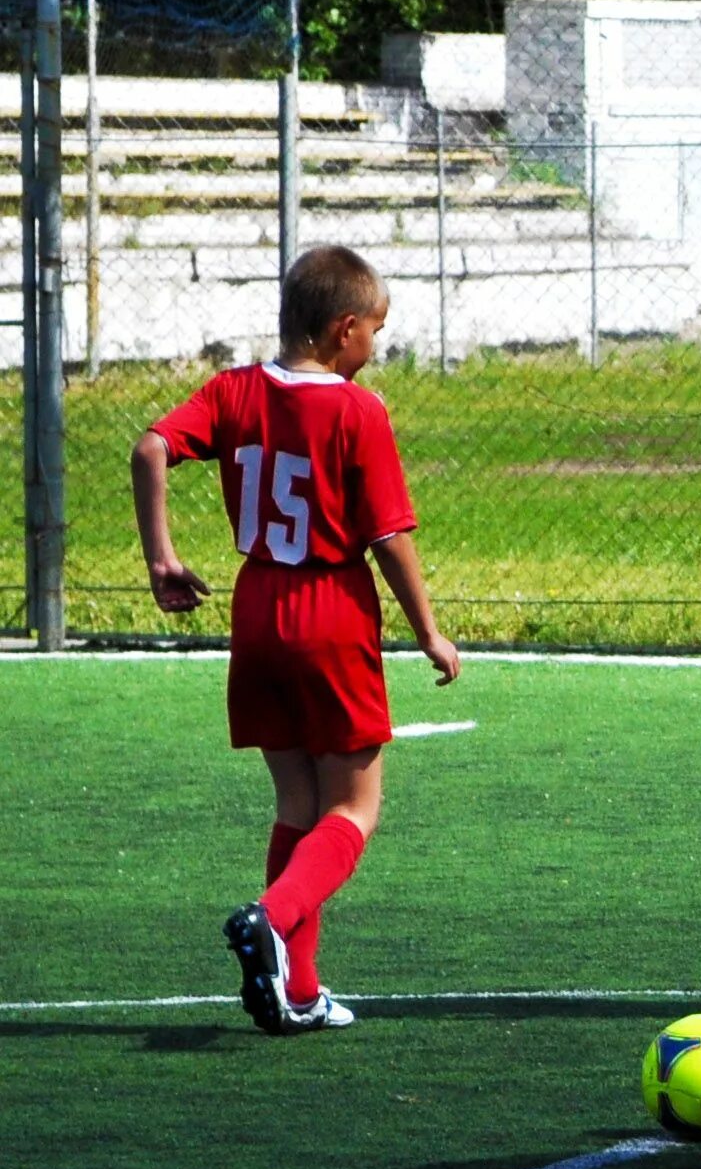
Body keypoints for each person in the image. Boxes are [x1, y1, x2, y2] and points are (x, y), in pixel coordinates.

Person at [131, 245, 460, 1037]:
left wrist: (161, 558)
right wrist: (427, 629)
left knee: (297, 803)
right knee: (354, 808)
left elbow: (149, 448)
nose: (375, 350)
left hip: (258, 609)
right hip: (330, 608)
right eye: (375, 333)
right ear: (343, 331)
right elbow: (386, 534)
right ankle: (269, 921)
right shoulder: (357, 410)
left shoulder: (233, 390)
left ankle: (299, 992)